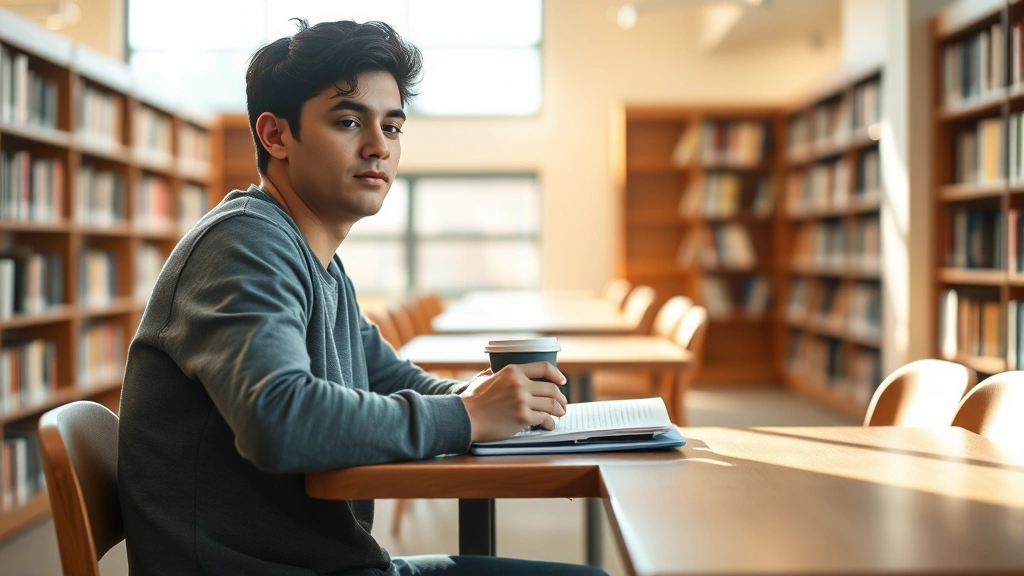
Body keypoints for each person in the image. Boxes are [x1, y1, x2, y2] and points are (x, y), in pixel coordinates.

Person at [118, 18, 609, 576]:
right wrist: (467, 414)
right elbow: (280, 420)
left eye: (393, 127)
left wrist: (482, 395)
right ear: (275, 136)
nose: (378, 147)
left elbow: (388, 375)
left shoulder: (319, 261)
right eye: (349, 121)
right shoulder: (243, 244)